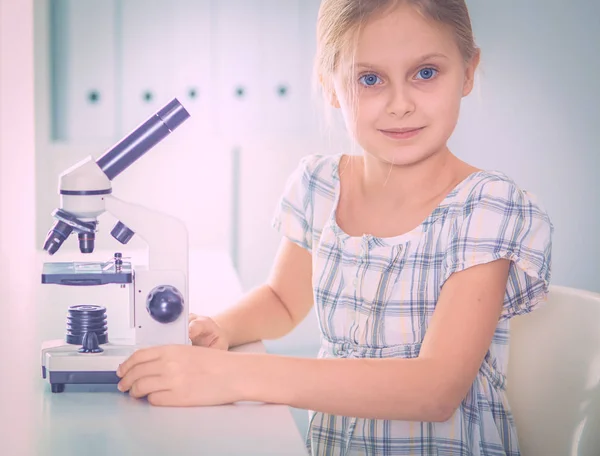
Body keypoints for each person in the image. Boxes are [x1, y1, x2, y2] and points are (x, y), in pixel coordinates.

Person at [116, 0, 553, 454]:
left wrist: (231, 376)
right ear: (329, 85)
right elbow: (283, 302)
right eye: (369, 79)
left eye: (426, 73)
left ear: (467, 71)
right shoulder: (319, 186)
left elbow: (434, 390)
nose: (400, 104)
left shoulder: (486, 205)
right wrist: (220, 329)